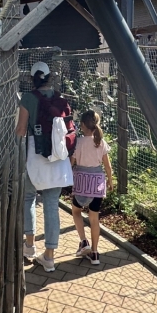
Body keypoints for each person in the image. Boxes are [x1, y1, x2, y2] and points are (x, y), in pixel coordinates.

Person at [16, 61, 73, 272]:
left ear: (32, 79)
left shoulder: (28, 99)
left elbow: (21, 129)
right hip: (58, 156)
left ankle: (29, 245)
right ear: (50, 78)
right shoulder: (61, 99)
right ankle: (49, 256)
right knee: (51, 204)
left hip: (36, 155)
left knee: (29, 197)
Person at [70, 110, 114, 265]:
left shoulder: (79, 142)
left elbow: (72, 163)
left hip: (82, 181)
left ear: (82, 125)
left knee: (76, 210)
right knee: (94, 218)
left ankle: (84, 242)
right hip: (97, 182)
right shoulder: (100, 142)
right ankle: (95, 253)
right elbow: (107, 166)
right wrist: (110, 181)